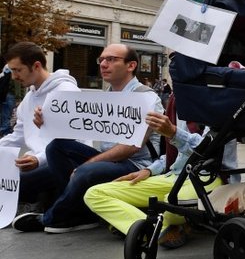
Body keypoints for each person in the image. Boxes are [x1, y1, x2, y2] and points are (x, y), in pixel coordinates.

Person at [13, 45, 162, 234]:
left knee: (86, 171)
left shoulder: (147, 98)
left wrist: (89, 163)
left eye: (111, 59)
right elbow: (75, 130)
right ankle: (80, 213)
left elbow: (130, 148)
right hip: (109, 160)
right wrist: (47, 122)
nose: (103, 64)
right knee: (56, 147)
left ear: (131, 65)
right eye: (101, 60)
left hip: (135, 164)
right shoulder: (104, 96)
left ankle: (51, 218)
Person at [83, 110, 204, 247]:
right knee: (94, 194)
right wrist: (149, 170)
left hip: (205, 177)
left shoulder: (219, 101)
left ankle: (140, 225)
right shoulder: (176, 104)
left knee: (172, 204)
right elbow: (177, 155)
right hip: (173, 176)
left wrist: (174, 133)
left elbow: (210, 151)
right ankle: (159, 230)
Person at [2, 42, 78, 211]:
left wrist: (38, 159)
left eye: (17, 70)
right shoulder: (29, 98)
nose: (13, 76)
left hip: (62, 163)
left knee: (16, 184)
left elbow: (73, 140)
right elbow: (17, 136)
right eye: (12, 70)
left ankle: (33, 206)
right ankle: (33, 204)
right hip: (36, 162)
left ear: (36, 66)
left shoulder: (66, 92)